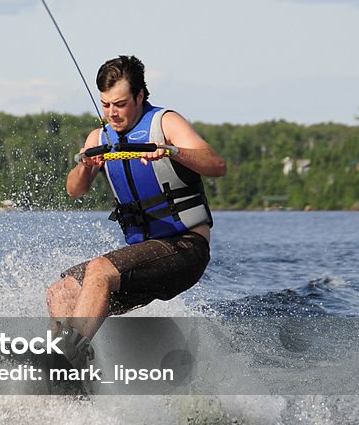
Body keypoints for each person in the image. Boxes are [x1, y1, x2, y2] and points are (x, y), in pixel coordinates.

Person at [46, 55, 226, 364]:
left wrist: (172, 151)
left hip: (186, 249)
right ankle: (71, 377)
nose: (112, 114)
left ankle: (67, 358)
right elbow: (74, 190)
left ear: (140, 96)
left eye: (120, 104)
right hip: (146, 256)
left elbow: (216, 165)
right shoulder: (98, 138)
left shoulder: (165, 123)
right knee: (60, 291)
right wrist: (86, 167)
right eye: (105, 105)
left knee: (100, 270)